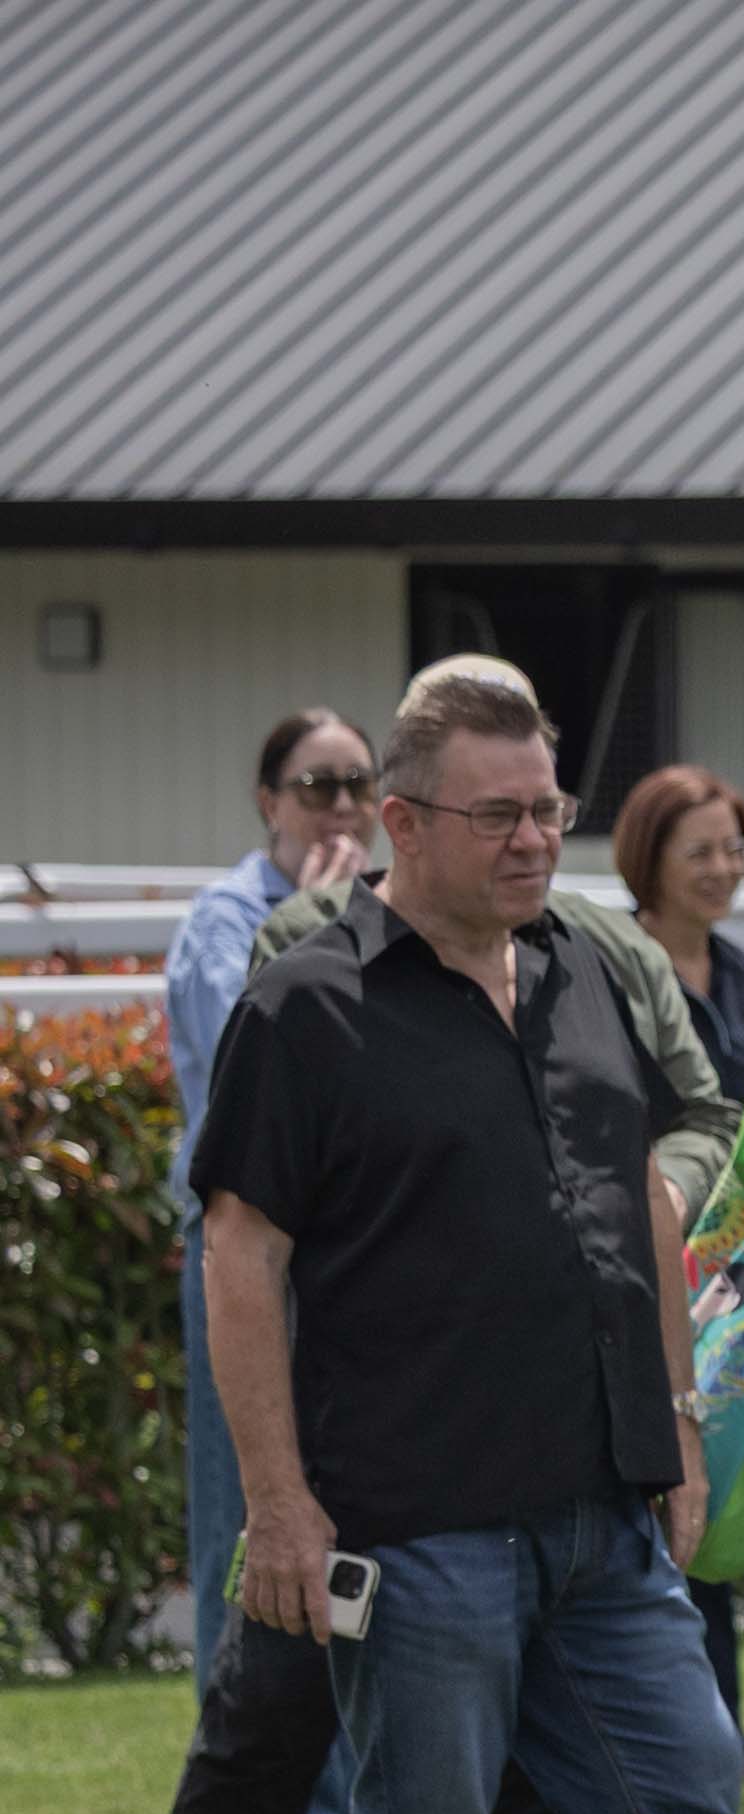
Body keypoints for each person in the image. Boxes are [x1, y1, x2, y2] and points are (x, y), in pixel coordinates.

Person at [183, 661, 744, 1814]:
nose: (536, 839)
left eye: (549, 809)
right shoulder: (304, 1005)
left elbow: (639, 1216)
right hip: (412, 1523)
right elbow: (240, 1253)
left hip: (603, 1505)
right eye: (501, 815)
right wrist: (278, 1505)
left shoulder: (592, 974)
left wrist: (676, 1431)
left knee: (682, 1803)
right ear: (401, 823)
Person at [167, 709, 376, 1716]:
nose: (339, 806)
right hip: (246, 1262)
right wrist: (321, 916)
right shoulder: (227, 915)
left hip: (358, 1262)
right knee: (249, 1519)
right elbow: (247, 1059)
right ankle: (261, 1809)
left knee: (349, 1527)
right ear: (267, 801)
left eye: (357, 785)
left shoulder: (393, 911)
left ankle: (339, 1795)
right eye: (314, 785)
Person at [610, 760, 744, 1789]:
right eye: (702, 850)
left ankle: (720, 1735)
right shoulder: (614, 964)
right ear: (650, 858)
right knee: (658, 1501)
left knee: (711, 1491)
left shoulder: (732, 968)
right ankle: (674, 1741)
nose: (725, 867)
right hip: (643, 1263)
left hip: (728, 1274)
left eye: (736, 847)